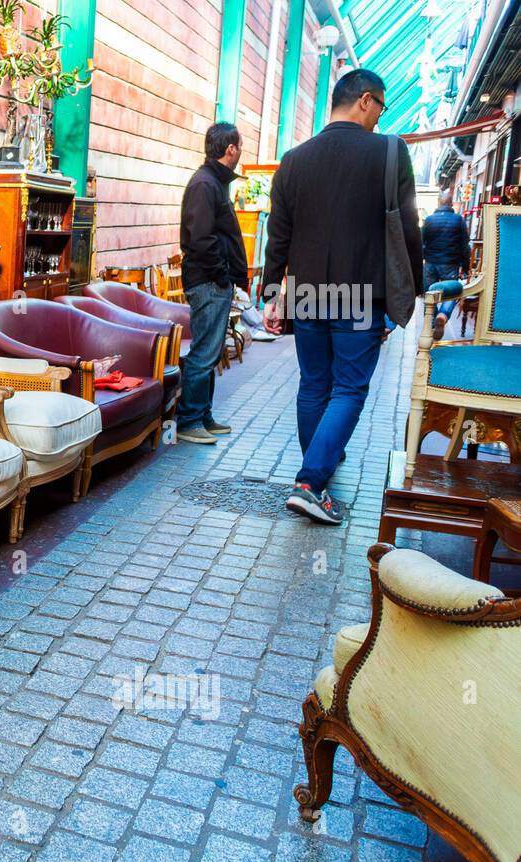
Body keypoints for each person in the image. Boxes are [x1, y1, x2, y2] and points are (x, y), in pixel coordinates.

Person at [263, 69, 422, 524]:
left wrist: (273, 296)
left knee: (315, 383)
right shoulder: (389, 152)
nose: (379, 118)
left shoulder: (294, 160)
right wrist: (408, 296)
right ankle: (311, 482)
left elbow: (279, 237)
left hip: (309, 292)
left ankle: (320, 464)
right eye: (381, 107)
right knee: (349, 387)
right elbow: (407, 230)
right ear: (366, 101)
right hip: (359, 292)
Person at [176, 122, 248, 444]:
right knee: (204, 352)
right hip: (207, 281)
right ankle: (189, 421)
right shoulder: (205, 184)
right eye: (240, 147)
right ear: (230, 149)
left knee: (212, 349)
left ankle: (202, 414)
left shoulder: (214, 183)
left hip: (214, 280)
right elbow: (201, 239)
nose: (240, 153)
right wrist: (221, 275)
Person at [421, 188, 470, 335]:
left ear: (439, 203)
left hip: (430, 262)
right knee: (451, 293)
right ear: (451, 204)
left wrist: (423, 259)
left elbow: (421, 242)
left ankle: (430, 326)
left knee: (430, 293)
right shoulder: (459, 220)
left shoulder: (429, 220)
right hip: (450, 263)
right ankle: (443, 316)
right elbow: (464, 245)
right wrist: (466, 267)